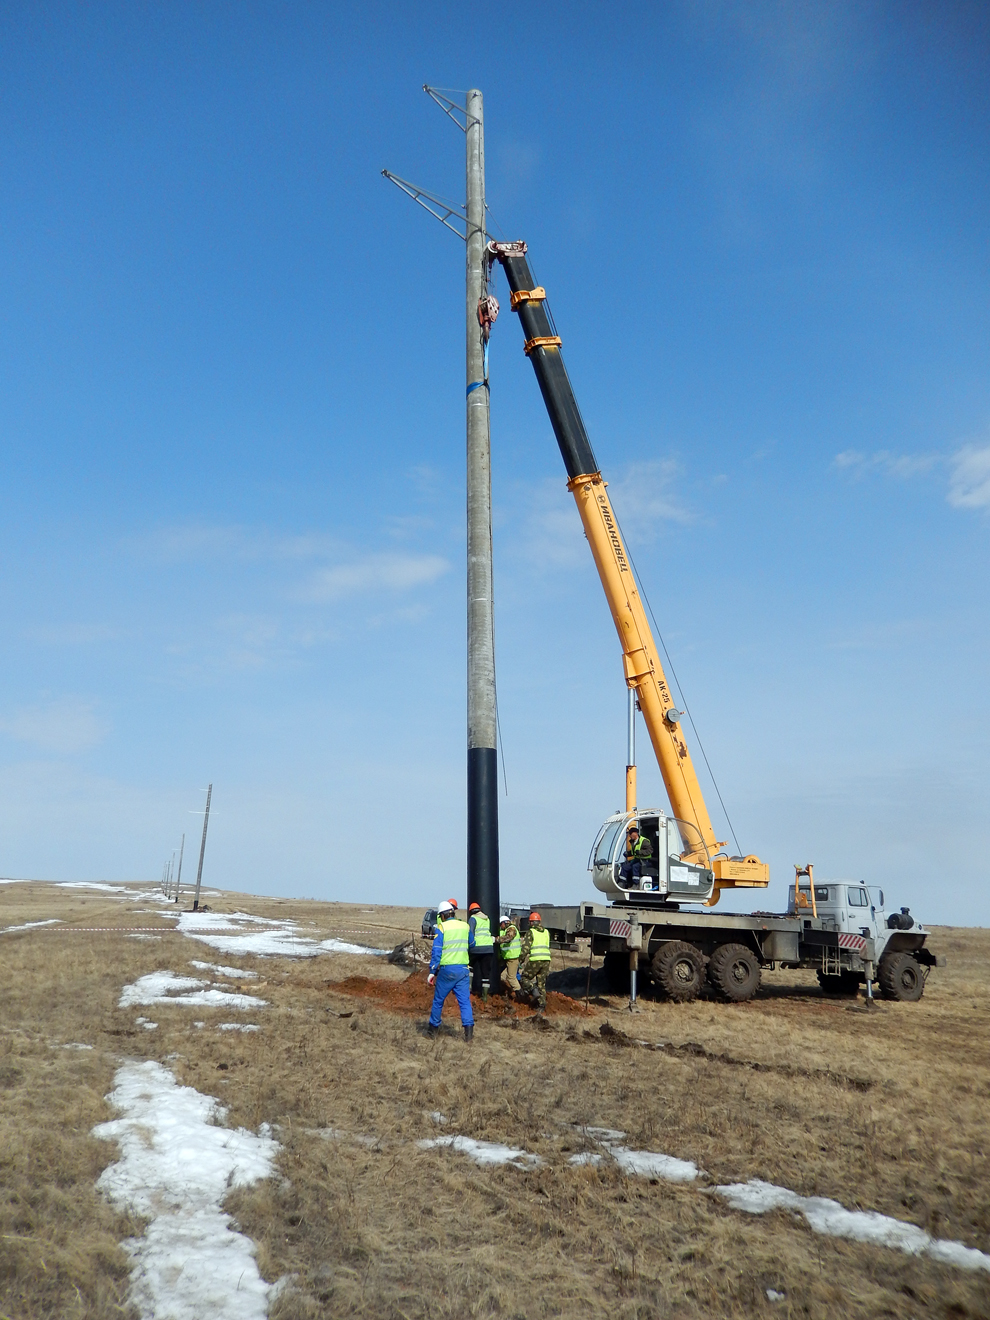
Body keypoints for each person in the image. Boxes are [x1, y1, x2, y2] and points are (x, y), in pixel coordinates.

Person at [426, 900, 474, 1040]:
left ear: (442, 915)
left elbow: (437, 951)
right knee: (464, 1002)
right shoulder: (465, 926)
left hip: (447, 970)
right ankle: (468, 1034)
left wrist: (432, 971)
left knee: (438, 1001)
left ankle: (432, 1031)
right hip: (463, 970)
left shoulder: (442, 928)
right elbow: (472, 943)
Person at [518, 911, 552, 1013]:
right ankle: (541, 1006)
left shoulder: (531, 932)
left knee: (524, 978)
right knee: (541, 983)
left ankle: (533, 990)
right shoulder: (546, 932)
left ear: (532, 923)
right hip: (546, 960)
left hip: (535, 960)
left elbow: (525, 948)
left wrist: (520, 959)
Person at [467, 902, 496, 1000]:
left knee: (469, 966)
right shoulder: (487, 919)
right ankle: (484, 998)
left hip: (476, 948)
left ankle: (469, 988)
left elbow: (470, 933)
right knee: (485, 974)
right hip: (488, 948)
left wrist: (469, 945)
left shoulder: (473, 919)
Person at [618, 823, 653, 887]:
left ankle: (635, 884)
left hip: (645, 861)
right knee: (625, 867)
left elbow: (650, 851)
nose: (630, 836)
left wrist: (640, 852)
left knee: (635, 867)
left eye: (630, 834)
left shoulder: (644, 841)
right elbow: (634, 852)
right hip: (637, 860)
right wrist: (628, 854)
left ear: (635, 834)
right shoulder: (632, 842)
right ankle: (621, 882)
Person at [496, 913, 521, 992]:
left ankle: (520, 994)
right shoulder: (503, 931)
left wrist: (496, 940)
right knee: (495, 972)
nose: (500, 926)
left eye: (501, 924)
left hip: (512, 958)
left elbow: (508, 938)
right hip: (505, 957)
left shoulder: (512, 929)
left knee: (511, 978)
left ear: (504, 923)